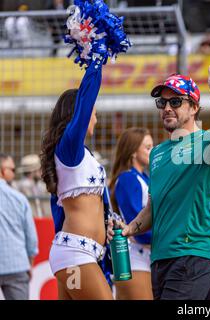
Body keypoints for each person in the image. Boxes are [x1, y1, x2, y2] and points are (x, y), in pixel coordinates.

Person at [107, 66, 210, 300]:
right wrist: (128, 229)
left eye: (176, 102)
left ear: (194, 107)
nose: (167, 108)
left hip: (192, 254)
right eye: (162, 103)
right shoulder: (157, 153)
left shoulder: (205, 139)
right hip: (159, 259)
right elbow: (152, 208)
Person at [40, 57, 114, 299]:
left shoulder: (83, 156)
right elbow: (86, 100)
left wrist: (108, 223)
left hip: (81, 253)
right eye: (93, 112)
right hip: (75, 253)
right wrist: (96, 60)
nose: (95, 118)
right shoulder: (68, 150)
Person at [109, 127, 154, 300]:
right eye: (147, 147)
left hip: (144, 256)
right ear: (133, 152)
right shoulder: (128, 178)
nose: (152, 151)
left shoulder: (145, 177)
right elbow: (135, 223)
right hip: (132, 258)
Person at [0, 153, 39, 300]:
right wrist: (29, 263)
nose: (15, 173)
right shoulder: (19, 199)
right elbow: (31, 237)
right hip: (17, 265)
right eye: (12, 169)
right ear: (3, 171)